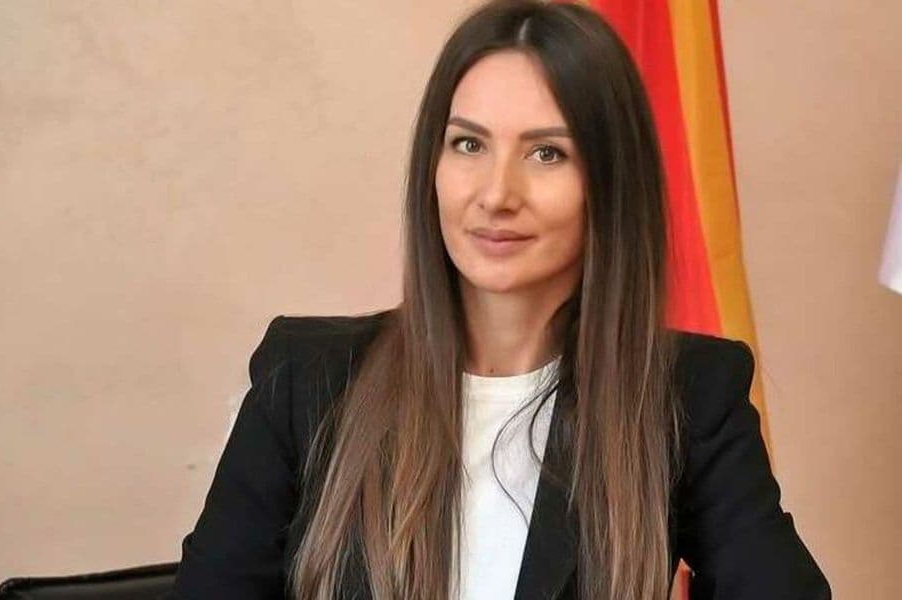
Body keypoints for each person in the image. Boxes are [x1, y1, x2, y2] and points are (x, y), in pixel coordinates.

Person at [166, 1, 830, 598]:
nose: (495, 194)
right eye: (469, 144)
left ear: (611, 182)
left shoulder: (687, 394)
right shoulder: (303, 379)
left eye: (547, 154)